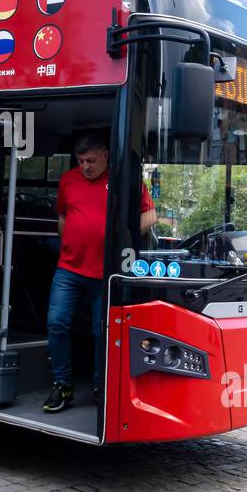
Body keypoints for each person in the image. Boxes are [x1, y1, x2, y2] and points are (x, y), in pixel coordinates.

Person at [43, 131, 156, 414]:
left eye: (91, 160)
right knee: (56, 323)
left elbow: (150, 215)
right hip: (68, 267)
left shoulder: (124, 180)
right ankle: (62, 385)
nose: (85, 167)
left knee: (100, 331)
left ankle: (99, 385)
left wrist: (121, 238)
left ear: (106, 154)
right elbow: (63, 215)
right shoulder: (68, 179)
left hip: (105, 273)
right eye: (81, 161)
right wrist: (66, 243)